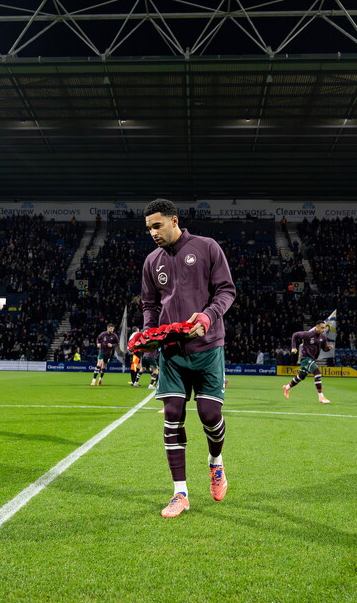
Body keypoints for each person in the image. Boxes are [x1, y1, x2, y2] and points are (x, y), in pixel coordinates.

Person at [141, 198, 236, 518]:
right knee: (172, 414)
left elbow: (226, 291)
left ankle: (216, 463)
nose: (153, 232)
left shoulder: (208, 247)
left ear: (174, 220)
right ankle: (179, 493)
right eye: (149, 228)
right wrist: (147, 336)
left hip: (209, 348)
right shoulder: (151, 261)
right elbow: (149, 306)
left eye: (157, 225)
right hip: (172, 353)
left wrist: (208, 317)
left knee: (210, 415)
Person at [282, 321, 334, 403]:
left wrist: (328, 348)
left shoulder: (323, 337)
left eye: (324, 328)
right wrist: (293, 347)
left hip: (312, 359)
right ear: (317, 327)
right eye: (322, 328)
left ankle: (287, 388)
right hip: (305, 358)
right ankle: (321, 397)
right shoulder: (308, 334)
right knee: (318, 373)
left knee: (301, 376)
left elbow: (324, 349)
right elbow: (295, 335)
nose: (324, 330)